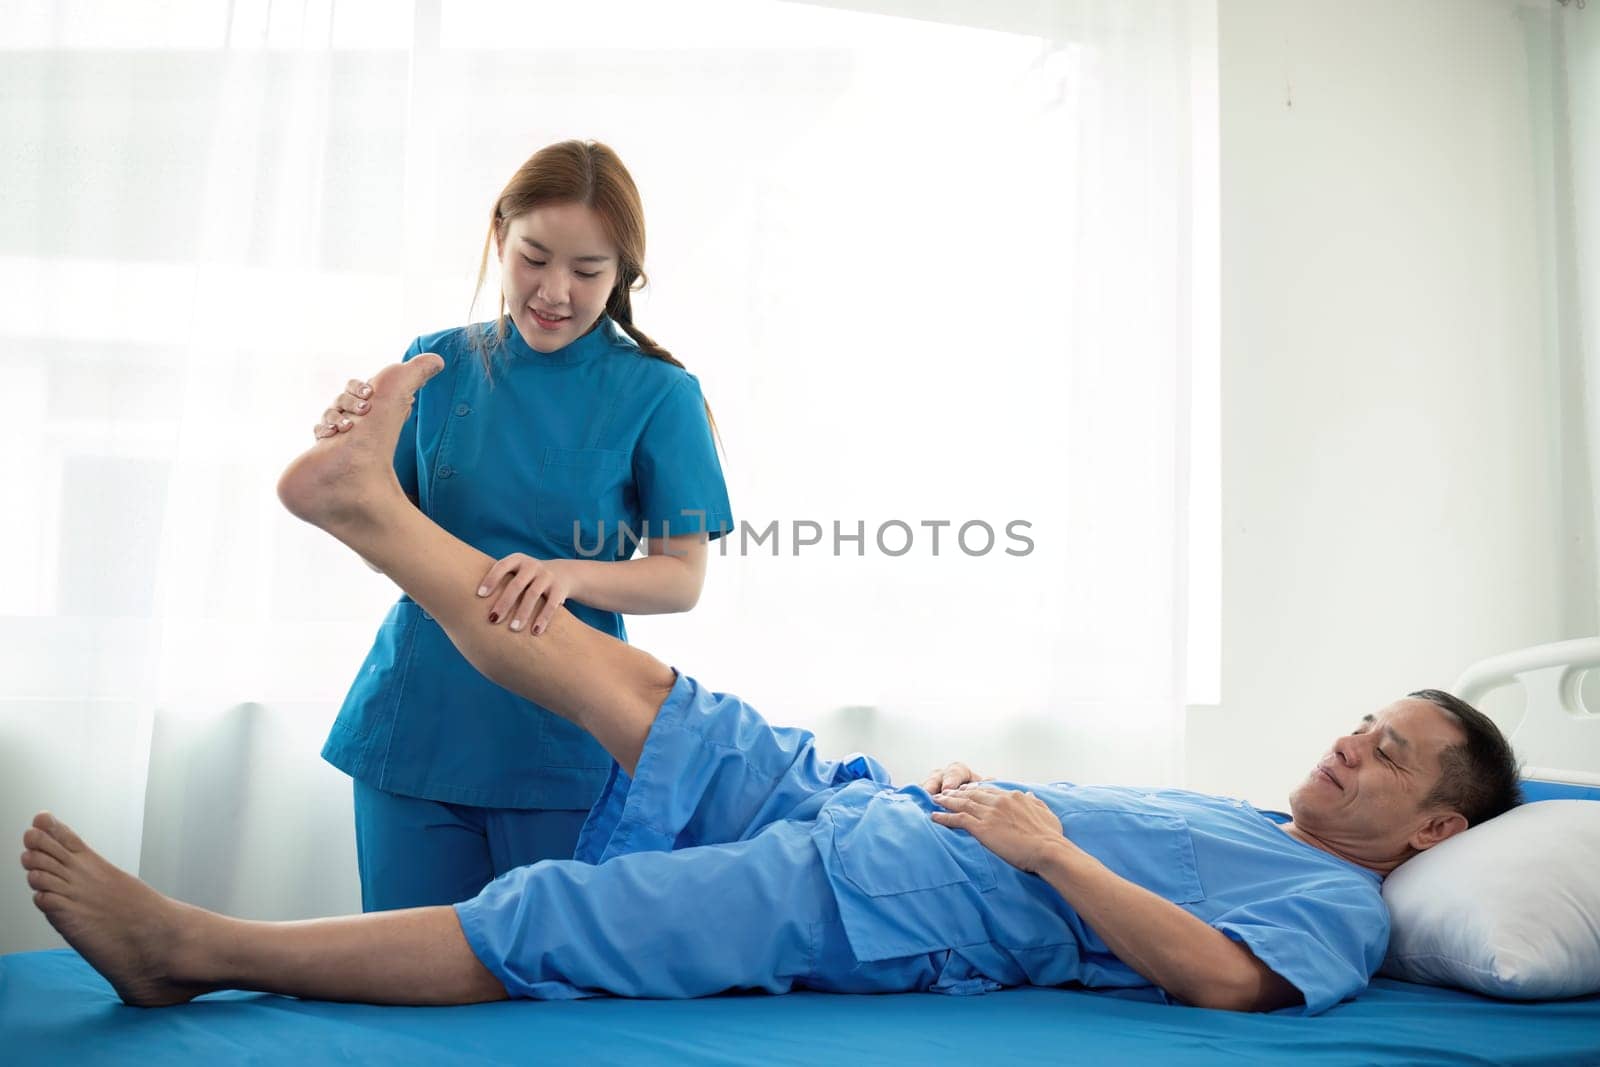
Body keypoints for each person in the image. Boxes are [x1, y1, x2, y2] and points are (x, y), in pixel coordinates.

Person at [18, 357, 1521, 1015]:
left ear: (1435, 831)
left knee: (565, 918)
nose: (1347, 742)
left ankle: (192, 945)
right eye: (1359, 719)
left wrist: (1043, 844)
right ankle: (374, 511)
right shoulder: (1252, 813)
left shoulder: (1342, 905)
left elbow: (1220, 980)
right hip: (871, 807)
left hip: (892, 907)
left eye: (1385, 750)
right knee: (626, 676)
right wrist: (978, 796)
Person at [312, 140, 732, 913]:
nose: (554, 291)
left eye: (588, 270)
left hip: (564, 739)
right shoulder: (434, 365)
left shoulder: (659, 393)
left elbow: (681, 576)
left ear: (623, 276)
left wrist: (568, 574)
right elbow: (387, 545)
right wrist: (350, 459)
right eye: (534, 257)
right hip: (415, 727)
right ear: (499, 237)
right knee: (400, 990)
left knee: (541, 995)